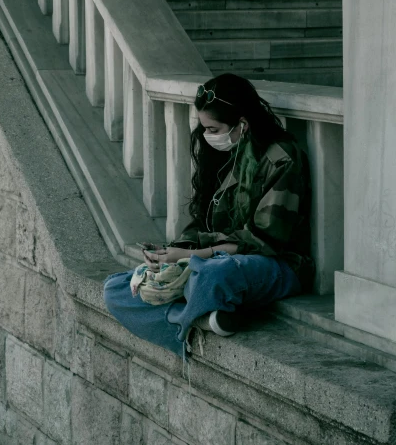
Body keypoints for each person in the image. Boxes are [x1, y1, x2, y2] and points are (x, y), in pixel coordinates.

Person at [103, 73, 315, 358]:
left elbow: (266, 240)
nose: (207, 136)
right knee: (116, 288)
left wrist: (192, 257)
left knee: (213, 274)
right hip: (214, 258)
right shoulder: (223, 156)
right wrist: (173, 252)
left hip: (275, 263)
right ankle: (201, 319)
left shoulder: (281, 158)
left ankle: (186, 319)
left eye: (214, 129)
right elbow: (202, 224)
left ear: (242, 124)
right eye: (204, 128)